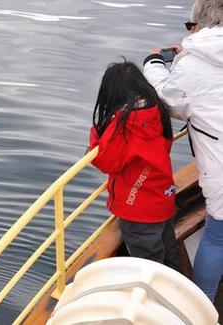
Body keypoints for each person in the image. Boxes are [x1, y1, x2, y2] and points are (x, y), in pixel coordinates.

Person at [143, 0, 223, 301]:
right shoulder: (191, 60)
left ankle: (202, 308)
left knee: (217, 238)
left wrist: (154, 64)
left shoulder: (192, 64)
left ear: (200, 22)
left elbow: (171, 101)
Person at [88, 61, 181, 271]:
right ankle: (181, 293)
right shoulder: (156, 110)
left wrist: (96, 132)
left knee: (149, 267)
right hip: (162, 199)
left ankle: (160, 301)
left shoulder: (125, 124)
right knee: (169, 254)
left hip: (137, 208)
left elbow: (106, 161)